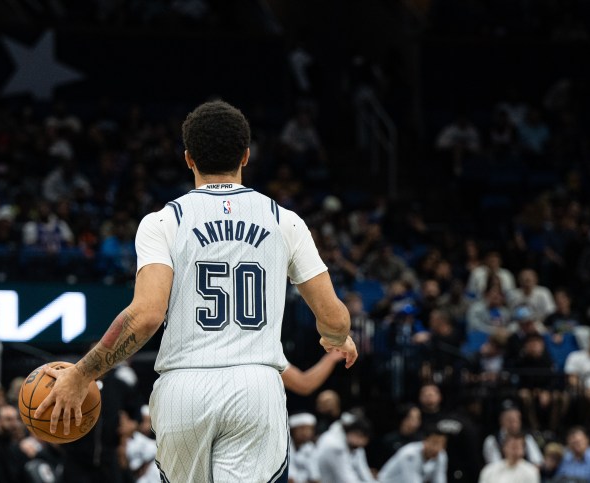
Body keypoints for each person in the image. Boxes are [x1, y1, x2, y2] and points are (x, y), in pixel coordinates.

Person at [35, 100, 357, 482]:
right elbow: (334, 316)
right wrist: (337, 338)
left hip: (182, 388)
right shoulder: (283, 221)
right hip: (254, 387)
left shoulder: (163, 222)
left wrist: (83, 373)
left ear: (188, 158)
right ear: (246, 156)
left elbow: (147, 315)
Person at [315, 415, 376, 482]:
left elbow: (364, 474)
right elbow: (346, 480)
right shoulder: (335, 446)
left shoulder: (355, 446)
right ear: (349, 431)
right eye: (358, 435)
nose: (360, 441)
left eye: (363, 437)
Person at [377, 426, 448, 483]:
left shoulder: (441, 455)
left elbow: (440, 479)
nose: (437, 448)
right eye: (434, 443)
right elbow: (412, 481)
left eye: (442, 444)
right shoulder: (410, 453)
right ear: (425, 441)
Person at [287, 413, 319, 483]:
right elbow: (289, 479)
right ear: (293, 430)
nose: (305, 433)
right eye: (302, 429)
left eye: (309, 429)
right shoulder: (285, 446)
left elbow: (315, 478)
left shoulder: (310, 447)